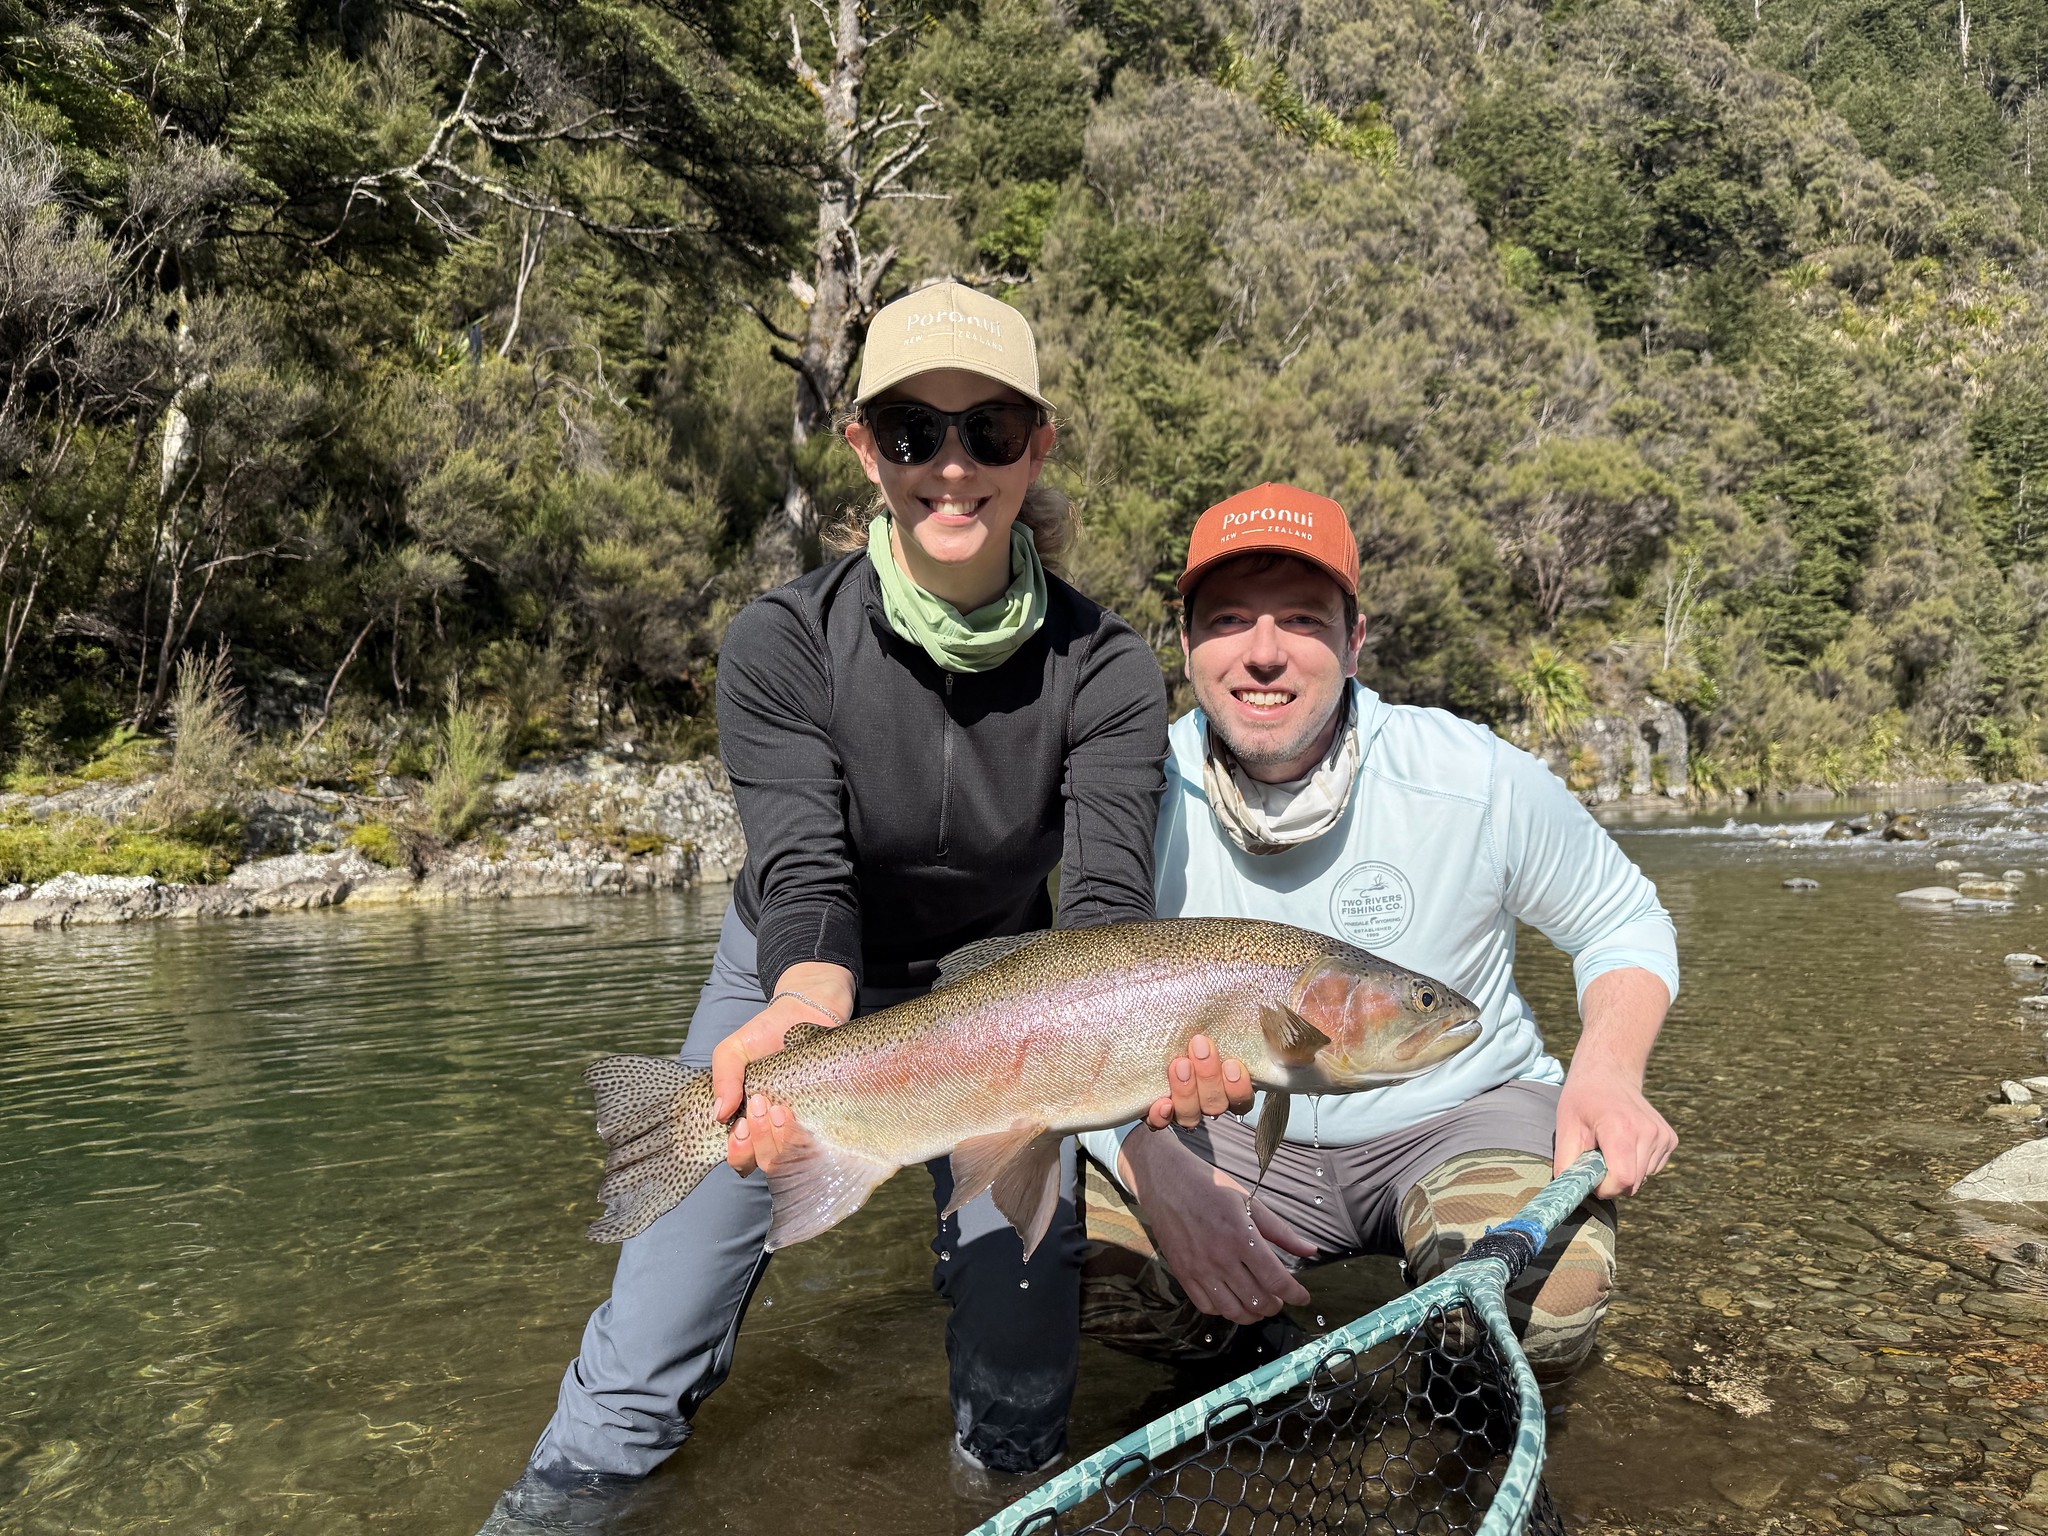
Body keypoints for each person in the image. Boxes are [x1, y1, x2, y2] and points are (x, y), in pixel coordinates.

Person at [480, 284, 1169, 1532]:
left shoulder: (1108, 665)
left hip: (1011, 1004)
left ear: (1037, 447)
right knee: (640, 1370)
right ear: (863, 447)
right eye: (912, 432)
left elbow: (1109, 914)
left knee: (1019, 1391)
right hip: (791, 985)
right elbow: (805, 872)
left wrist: (1149, 1072)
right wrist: (800, 1012)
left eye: (989, 433)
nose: (950, 468)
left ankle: (995, 1497)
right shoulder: (780, 642)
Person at [1077, 482, 1679, 1387]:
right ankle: (1250, 1351)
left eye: (1304, 620)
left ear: (1356, 641)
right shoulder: (1124, 788)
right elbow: (1050, 1020)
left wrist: (1607, 1072)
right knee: (1043, 1257)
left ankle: (1455, 1390)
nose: (1265, 655)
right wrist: (1149, 1162)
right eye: (1231, 619)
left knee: (1538, 1311)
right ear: (1188, 647)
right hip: (1219, 1138)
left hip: (1455, 1118)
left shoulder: (1472, 775)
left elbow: (1622, 918)